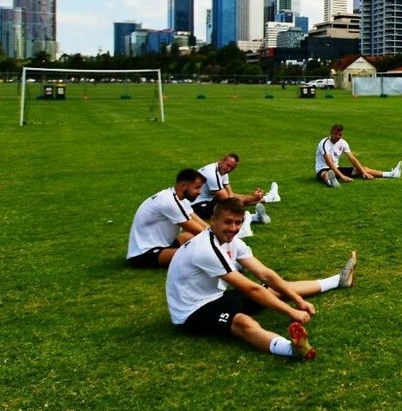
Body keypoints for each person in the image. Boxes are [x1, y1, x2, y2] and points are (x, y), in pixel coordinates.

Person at [165, 197, 359, 360]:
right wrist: (291, 311)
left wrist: (298, 300)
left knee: (273, 288)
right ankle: (292, 349)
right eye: (228, 222)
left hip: (216, 297)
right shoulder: (206, 249)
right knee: (242, 322)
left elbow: (265, 274)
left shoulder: (230, 241)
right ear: (213, 220)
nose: (233, 228)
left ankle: (338, 280)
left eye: (238, 222)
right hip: (191, 312)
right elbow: (252, 289)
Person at [126, 168, 210, 268]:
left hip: (165, 245)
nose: (200, 192)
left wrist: (216, 234)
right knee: (194, 254)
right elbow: (198, 230)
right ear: (183, 186)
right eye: (197, 187)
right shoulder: (169, 202)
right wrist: (220, 242)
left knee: (191, 238)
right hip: (144, 253)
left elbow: (200, 223)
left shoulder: (180, 199)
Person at [190, 153, 277, 227]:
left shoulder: (223, 172)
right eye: (228, 165)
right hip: (196, 207)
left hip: (207, 200)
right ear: (221, 160)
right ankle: (252, 217)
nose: (229, 169)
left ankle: (268, 199)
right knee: (228, 205)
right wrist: (252, 198)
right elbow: (227, 200)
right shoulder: (212, 174)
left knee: (231, 202)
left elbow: (231, 195)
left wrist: (254, 197)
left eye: (232, 168)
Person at [315, 123, 402, 187]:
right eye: (335, 134)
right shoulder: (324, 143)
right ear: (331, 133)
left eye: (340, 134)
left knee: (363, 168)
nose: (337, 136)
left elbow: (352, 159)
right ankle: (331, 182)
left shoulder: (343, 143)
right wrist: (342, 176)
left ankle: (391, 174)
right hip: (322, 168)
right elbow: (329, 162)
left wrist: (363, 172)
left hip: (336, 168)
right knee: (325, 174)